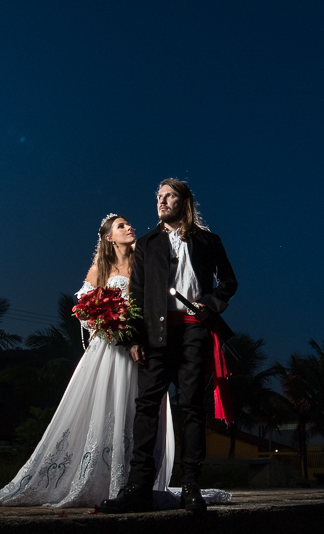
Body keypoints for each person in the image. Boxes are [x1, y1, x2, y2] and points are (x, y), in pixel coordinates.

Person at [0, 214, 226, 510]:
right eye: (121, 226)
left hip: (143, 349)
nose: (130, 227)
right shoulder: (100, 269)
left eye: (129, 224)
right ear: (108, 237)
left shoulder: (147, 263)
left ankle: (134, 480)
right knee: (104, 407)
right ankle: (99, 476)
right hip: (109, 350)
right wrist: (111, 324)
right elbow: (84, 309)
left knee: (140, 410)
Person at [100, 179, 238, 514]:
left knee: (191, 405)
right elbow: (136, 294)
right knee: (146, 406)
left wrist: (210, 303)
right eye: (158, 196)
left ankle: (192, 485)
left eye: (169, 195)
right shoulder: (148, 243)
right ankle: (137, 487)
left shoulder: (209, 240)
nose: (161, 201)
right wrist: (133, 337)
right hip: (155, 335)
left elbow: (229, 282)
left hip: (195, 332)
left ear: (185, 201)